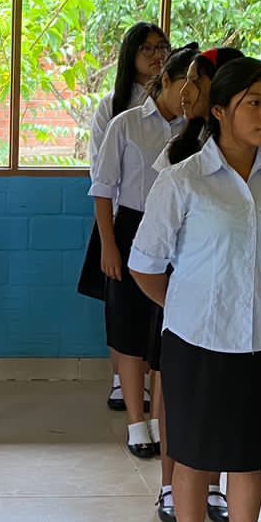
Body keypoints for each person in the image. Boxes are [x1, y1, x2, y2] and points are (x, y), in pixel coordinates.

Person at [130, 58, 261, 522]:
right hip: (193, 339)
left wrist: (248, 297)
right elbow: (145, 264)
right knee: (192, 452)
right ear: (219, 111)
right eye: (252, 102)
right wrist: (190, 303)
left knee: (248, 454)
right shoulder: (183, 180)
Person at [155, 46, 244, 522]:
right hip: (181, 291)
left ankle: (211, 484)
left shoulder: (258, 159)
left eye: (197, 81)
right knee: (181, 390)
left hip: (234, 302)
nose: (185, 91)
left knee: (223, 395)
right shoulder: (181, 150)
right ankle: (173, 481)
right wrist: (183, 301)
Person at [91, 46, 192, 461]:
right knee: (129, 331)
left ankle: (161, 417)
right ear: (164, 80)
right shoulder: (126, 124)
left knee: (164, 331)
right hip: (130, 226)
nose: (190, 94)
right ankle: (137, 422)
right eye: (184, 83)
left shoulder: (195, 130)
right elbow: (102, 188)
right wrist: (109, 245)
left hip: (181, 234)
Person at [79, 22, 170, 413]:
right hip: (121, 220)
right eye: (146, 48)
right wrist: (111, 236)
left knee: (155, 307)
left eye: (160, 47)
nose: (155, 55)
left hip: (165, 224)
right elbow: (100, 174)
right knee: (120, 307)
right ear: (130, 55)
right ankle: (122, 378)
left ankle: (151, 380)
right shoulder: (114, 107)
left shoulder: (178, 108)